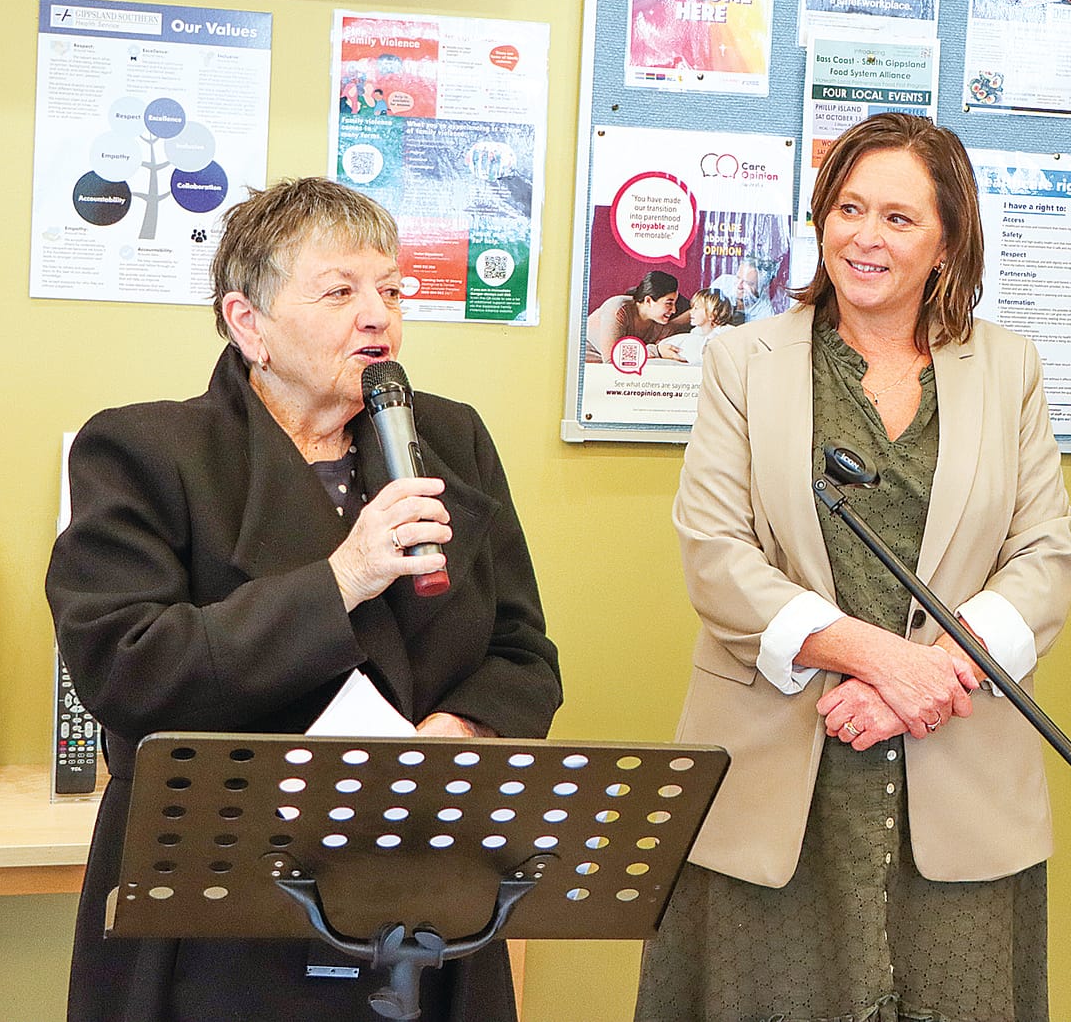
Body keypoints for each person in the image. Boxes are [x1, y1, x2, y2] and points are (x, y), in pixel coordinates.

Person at [45, 177, 561, 1022]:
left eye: (391, 289)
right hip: (221, 913)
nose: (378, 316)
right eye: (340, 290)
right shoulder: (144, 449)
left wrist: (456, 733)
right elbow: (125, 666)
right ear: (249, 322)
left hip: (426, 889)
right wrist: (341, 579)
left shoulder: (451, 438)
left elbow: (522, 653)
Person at [634, 113, 1071, 1022]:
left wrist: (927, 679)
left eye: (899, 218)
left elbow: (1043, 558)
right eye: (847, 208)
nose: (864, 237)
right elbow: (717, 555)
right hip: (773, 781)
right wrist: (882, 660)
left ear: (949, 239)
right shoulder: (740, 362)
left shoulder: (1009, 369)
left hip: (957, 771)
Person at [584, 268, 682, 362]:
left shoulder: (661, 323)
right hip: (585, 355)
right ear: (648, 300)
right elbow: (611, 359)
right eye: (669, 303)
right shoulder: (618, 309)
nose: (674, 310)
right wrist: (656, 351)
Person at [656, 286, 736, 365]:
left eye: (696, 308)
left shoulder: (726, 333)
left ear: (712, 313)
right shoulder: (695, 333)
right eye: (692, 308)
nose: (691, 312)